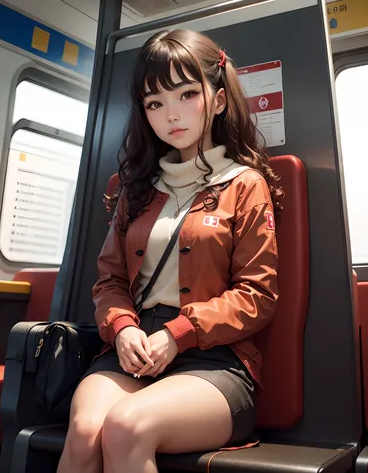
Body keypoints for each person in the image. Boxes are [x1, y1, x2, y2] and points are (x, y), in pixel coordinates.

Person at [57, 29, 281, 473]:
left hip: (215, 360)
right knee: (84, 432)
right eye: (155, 103)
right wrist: (121, 328)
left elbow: (258, 296)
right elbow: (111, 281)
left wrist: (178, 333)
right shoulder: (135, 190)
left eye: (186, 94)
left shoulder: (244, 184)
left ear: (217, 100)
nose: (171, 115)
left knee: (126, 426)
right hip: (135, 348)